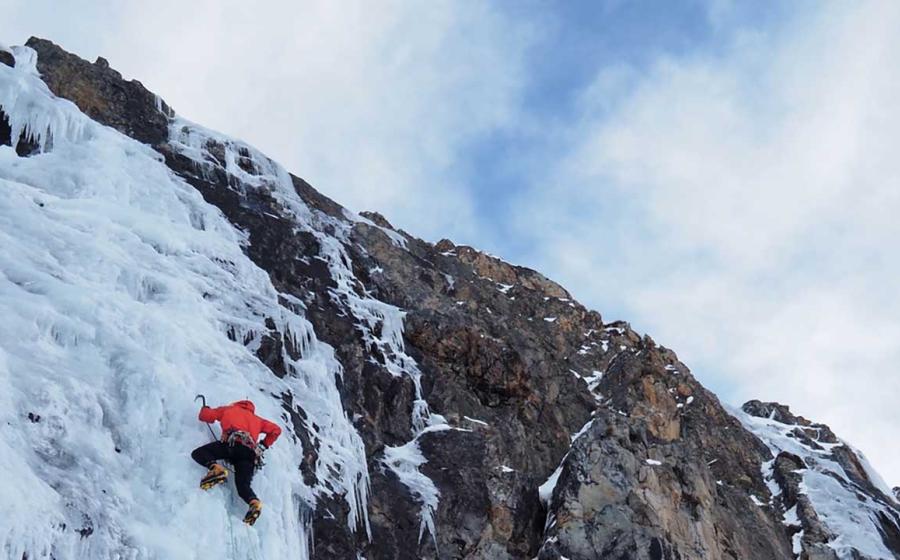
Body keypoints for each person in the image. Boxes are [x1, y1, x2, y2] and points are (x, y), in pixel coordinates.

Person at [191, 399, 282, 525]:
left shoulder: (228, 409)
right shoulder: (258, 420)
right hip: (249, 454)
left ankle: (216, 469)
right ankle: (254, 503)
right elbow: (276, 430)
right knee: (243, 486)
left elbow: (205, 416)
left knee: (199, 454)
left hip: (231, 445)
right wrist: (263, 445)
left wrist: (205, 409)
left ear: (237, 404)